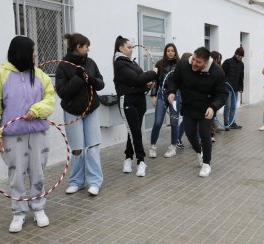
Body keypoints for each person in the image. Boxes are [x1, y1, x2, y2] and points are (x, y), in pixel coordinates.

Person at [0, 36, 55, 232]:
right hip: (12, 135)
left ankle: (38, 208)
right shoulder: (0, 75)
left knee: (38, 171)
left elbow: (50, 99)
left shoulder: (40, 76)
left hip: (37, 133)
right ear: (22, 52)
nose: (35, 54)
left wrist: (36, 110)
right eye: (32, 50)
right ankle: (18, 213)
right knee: (17, 175)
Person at [55, 33, 105, 196]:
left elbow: (101, 83)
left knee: (92, 147)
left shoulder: (90, 62)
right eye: (86, 46)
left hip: (91, 109)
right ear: (78, 47)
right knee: (77, 149)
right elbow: (63, 92)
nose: (89, 49)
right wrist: (77, 78)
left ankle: (94, 181)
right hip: (72, 111)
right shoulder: (63, 66)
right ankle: (77, 182)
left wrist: (92, 81)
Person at [167, 47, 228, 177]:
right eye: (194, 59)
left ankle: (207, 163)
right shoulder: (184, 65)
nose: (194, 63)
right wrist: (171, 91)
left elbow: (222, 94)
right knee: (189, 133)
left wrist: (213, 107)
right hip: (189, 106)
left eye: (198, 62)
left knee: (204, 133)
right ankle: (199, 151)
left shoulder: (217, 72)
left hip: (207, 108)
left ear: (206, 62)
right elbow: (174, 79)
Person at [113, 36, 158, 177]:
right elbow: (137, 79)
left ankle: (127, 158)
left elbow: (139, 82)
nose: (131, 50)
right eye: (129, 47)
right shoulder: (119, 63)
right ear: (121, 48)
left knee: (133, 130)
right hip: (127, 102)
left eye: (132, 47)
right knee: (135, 133)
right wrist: (153, 73)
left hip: (139, 101)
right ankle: (141, 161)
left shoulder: (131, 62)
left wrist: (147, 85)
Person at [149, 43, 181, 158]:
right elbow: (155, 81)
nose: (170, 52)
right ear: (165, 52)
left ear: (175, 52)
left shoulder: (180, 64)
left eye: (172, 50)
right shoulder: (160, 64)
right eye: (168, 50)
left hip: (176, 96)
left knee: (174, 123)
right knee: (157, 122)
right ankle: (152, 146)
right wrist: (153, 95)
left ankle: (173, 147)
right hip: (162, 95)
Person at [222, 47, 244, 130]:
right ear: (235, 54)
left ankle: (232, 122)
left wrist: (241, 87)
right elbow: (221, 74)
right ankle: (226, 123)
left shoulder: (241, 64)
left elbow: (241, 76)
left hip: (235, 88)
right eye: (239, 55)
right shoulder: (227, 62)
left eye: (241, 56)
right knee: (227, 105)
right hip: (227, 88)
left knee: (233, 106)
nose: (240, 57)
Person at [175, 52, 192, 149]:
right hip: (182, 97)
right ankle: (177, 138)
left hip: (188, 98)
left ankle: (178, 138)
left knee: (187, 120)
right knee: (185, 119)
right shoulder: (181, 70)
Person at [210, 51, 223, 142]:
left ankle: (211, 134)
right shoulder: (207, 67)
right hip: (208, 96)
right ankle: (209, 134)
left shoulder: (219, 68)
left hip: (215, 96)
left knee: (212, 116)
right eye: (217, 58)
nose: (218, 60)